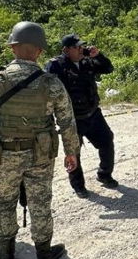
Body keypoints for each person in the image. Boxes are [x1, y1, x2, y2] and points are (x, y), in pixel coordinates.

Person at [0, 21, 80, 259]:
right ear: (40, 51)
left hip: (4, 155)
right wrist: (72, 152)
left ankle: (6, 256)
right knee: (40, 202)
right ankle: (44, 253)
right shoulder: (51, 83)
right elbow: (67, 121)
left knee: (5, 203)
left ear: (12, 48)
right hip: (40, 155)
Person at [45, 33, 117, 199]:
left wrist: (98, 55)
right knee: (73, 152)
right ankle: (78, 185)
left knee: (107, 140)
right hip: (71, 118)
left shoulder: (86, 61)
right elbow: (47, 92)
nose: (80, 50)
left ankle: (104, 174)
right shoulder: (55, 66)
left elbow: (107, 69)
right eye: (76, 47)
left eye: (81, 46)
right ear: (66, 49)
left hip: (93, 114)